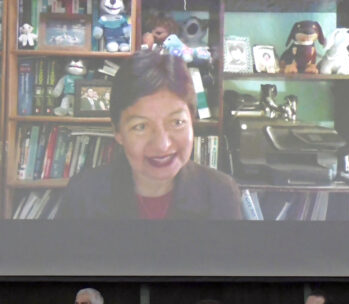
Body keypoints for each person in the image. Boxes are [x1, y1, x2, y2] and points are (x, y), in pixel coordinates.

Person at [60, 50, 243, 220]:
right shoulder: (83, 196)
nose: (162, 145)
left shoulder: (221, 193)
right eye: (141, 126)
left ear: (192, 120)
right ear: (118, 132)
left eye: (177, 122)